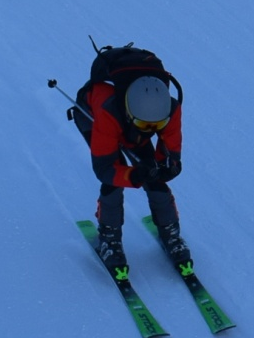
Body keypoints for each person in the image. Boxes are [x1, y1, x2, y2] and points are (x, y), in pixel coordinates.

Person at [70, 45, 191, 271]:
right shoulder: (108, 110)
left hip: (129, 125)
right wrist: (134, 175)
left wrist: (168, 167)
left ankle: (171, 233)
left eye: (156, 126)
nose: (150, 130)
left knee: (155, 177)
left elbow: (170, 151)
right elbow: (105, 168)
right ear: (129, 111)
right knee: (114, 182)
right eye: (145, 124)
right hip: (94, 119)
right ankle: (109, 239)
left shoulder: (170, 110)